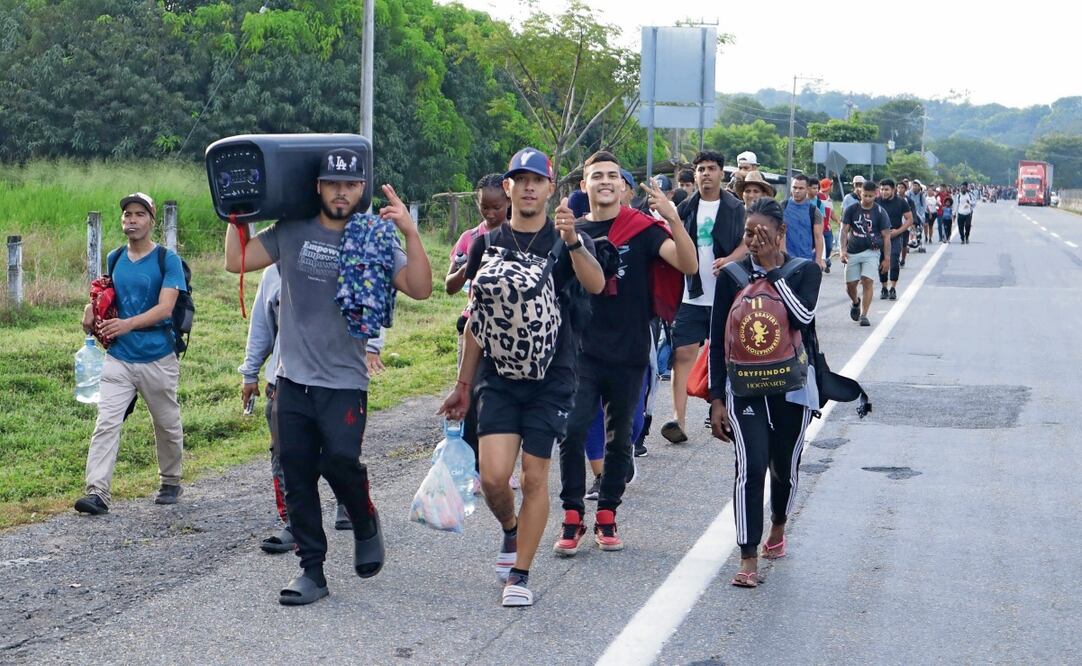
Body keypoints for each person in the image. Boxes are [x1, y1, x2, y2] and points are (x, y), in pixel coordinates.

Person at [225, 147, 433, 606]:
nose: (342, 192)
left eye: (351, 184)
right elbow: (235, 260)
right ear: (318, 186)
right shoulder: (292, 230)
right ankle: (312, 571)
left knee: (339, 461)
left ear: (361, 189)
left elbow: (420, 288)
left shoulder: (374, 237)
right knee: (297, 474)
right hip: (292, 380)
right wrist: (236, 212)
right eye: (333, 183)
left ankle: (364, 518)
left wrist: (410, 233)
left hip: (344, 381)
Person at [439, 147, 604, 607]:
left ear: (551, 188)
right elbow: (476, 318)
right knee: (493, 478)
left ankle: (521, 575)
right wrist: (462, 385)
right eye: (520, 179)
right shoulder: (485, 243)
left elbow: (595, 285)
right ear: (507, 187)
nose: (529, 187)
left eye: (538, 180)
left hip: (553, 376)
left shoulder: (567, 237)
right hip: (498, 374)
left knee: (534, 476)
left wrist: (573, 243)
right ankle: (510, 530)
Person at [555, 150, 698, 557]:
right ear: (584, 186)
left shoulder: (644, 230)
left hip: (631, 347)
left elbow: (687, 264)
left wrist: (671, 216)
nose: (604, 181)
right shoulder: (573, 232)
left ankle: (607, 513)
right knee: (573, 431)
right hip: (581, 351)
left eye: (612, 175)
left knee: (622, 439)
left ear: (623, 186)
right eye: (596, 175)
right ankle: (570, 514)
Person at [707, 197, 822, 589]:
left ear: (782, 233)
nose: (754, 241)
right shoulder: (731, 276)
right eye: (748, 233)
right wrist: (716, 398)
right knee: (751, 468)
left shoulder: (804, 271)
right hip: (744, 390)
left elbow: (803, 318)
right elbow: (717, 339)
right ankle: (747, 555)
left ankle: (778, 524)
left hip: (792, 390)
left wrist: (773, 273)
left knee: (784, 469)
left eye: (763, 233)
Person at [76, 193, 187, 515]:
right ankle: (97, 492)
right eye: (127, 215)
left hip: (158, 354)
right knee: (107, 422)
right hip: (119, 356)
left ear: (152, 220)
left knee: (166, 423)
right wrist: (90, 310)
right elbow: (109, 294)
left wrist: (127, 324)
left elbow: (166, 308)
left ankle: (170, 479)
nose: (132, 220)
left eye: (139, 214)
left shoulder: (168, 260)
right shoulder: (115, 257)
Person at [661, 150, 745, 445]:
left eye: (711, 168)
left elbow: (747, 243)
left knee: (726, 356)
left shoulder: (736, 208)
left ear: (722, 173)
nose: (706, 173)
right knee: (682, 353)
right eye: (700, 169)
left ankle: (721, 410)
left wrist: (730, 260)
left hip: (725, 294)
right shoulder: (683, 208)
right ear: (694, 175)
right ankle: (677, 419)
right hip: (690, 293)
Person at [445, 174, 510, 469]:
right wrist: (468, 268)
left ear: (509, 201)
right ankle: (472, 466)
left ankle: (500, 465)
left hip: (511, 331)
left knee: (504, 398)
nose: (491, 213)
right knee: (469, 393)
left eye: (497, 207)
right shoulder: (470, 238)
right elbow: (449, 285)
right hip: (473, 324)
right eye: (485, 207)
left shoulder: (520, 237)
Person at [840, 181, 892, 327]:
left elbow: (887, 237)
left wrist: (887, 258)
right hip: (853, 251)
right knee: (850, 285)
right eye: (864, 195)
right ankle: (856, 302)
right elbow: (844, 231)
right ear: (859, 193)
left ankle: (864, 315)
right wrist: (843, 250)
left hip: (872, 251)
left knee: (867, 280)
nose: (867, 199)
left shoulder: (881, 212)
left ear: (875, 195)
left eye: (870, 196)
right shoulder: (851, 209)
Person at [875, 178, 913, 301]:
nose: (883, 192)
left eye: (886, 189)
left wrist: (898, 231)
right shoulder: (876, 201)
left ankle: (893, 288)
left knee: (894, 259)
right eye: (881, 189)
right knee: (882, 261)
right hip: (880, 236)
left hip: (895, 236)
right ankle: (884, 287)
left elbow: (909, 219)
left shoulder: (901, 202)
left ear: (893, 190)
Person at [782, 175, 826, 270]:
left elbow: (818, 238)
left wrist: (818, 261)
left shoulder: (814, 211)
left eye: (801, 188)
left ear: (807, 189)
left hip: (806, 260)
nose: (797, 191)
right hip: (785, 261)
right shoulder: (781, 207)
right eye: (794, 187)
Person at [816, 178, 835, 273]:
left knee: (829, 246)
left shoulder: (829, 199)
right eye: (831, 185)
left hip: (827, 228)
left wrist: (839, 222)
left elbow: (832, 214)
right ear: (828, 187)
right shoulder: (818, 196)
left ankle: (826, 260)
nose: (832, 187)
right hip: (818, 228)